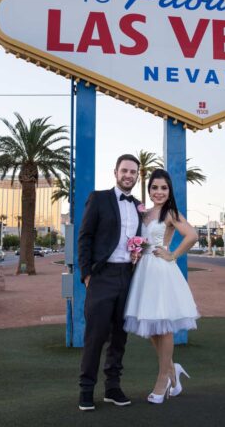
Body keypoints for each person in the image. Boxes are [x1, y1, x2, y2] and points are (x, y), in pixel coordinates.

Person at [123, 168, 200, 404]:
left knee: (163, 325)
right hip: (143, 272)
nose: (159, 192)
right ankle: (171, 369)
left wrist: (173, 254)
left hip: (161, 271)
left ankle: (162, 378)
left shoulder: (171, 213)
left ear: (169, 191)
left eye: (163, 188)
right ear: (149, 190)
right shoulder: (143, 213)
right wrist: (136, 252)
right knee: (151, 325)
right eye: (155, 187)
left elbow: (192, 235)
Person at [77, 154, 144, 412]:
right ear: (115, 172)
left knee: (119, 335)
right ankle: (86, 389)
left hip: (127, 275)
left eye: (133, 172)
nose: (128, 175)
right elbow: (85, 237)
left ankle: (112, 387)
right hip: (102, 276)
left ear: (137, 176)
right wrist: (86, 274)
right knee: (95, 335)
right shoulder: (99, 199)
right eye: (125, 170)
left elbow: (140, 239)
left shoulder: (139, 206)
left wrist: (139, 253)